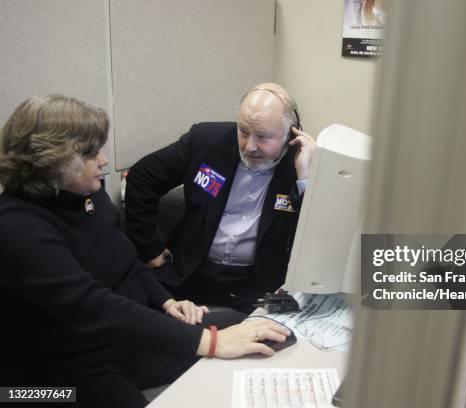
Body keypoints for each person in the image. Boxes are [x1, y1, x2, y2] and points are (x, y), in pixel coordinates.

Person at [0, 95, 290, 408]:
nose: (104, 161)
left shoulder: (87, 196)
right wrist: (211, 342)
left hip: (128, 342)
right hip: (65, 372)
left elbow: (128, 262)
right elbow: (93, 307)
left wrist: (166, 301)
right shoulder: (16, 227)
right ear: (50, 161)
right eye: (90, 153)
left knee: (264, 331)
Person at [125, 83, 316, 312]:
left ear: (291, 134)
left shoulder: (301, 164)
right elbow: (141, 177)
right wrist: (148, 246)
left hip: (258, 286)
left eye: (263, 137)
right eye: (243, 131)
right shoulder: (207, 142)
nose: (249, 146)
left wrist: (305, 177)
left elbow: (316, 240)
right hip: (191, 272)